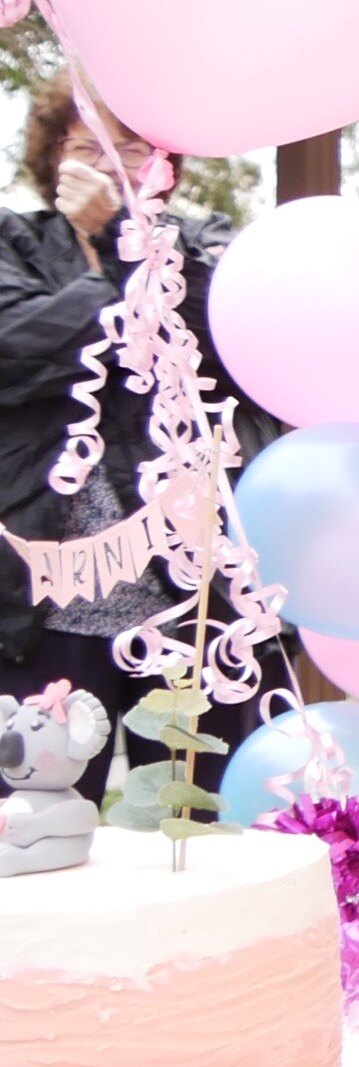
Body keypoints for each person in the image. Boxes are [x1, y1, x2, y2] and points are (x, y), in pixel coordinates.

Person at [0, 73, 270, 799]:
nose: (109, 163)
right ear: (53, 159)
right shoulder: (12, 240)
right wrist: (114, 288)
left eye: (130, 149)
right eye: (88, 146)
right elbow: (14, 348)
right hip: (42, 609)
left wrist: (128, 242)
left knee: (195, 821)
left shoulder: (200, 246)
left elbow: (227, 345)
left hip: (190, 604)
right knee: (35, 820)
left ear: (164, 165)